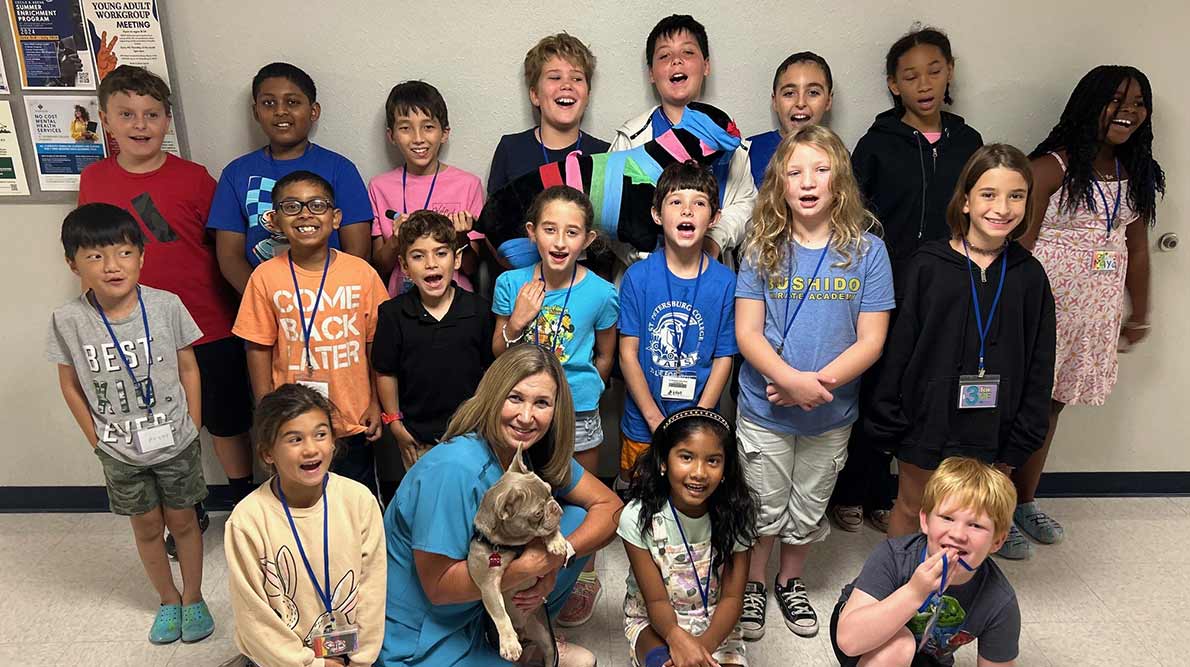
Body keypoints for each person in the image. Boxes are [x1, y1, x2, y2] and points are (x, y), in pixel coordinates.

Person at [80, 66, 253, 552]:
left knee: (226, 418)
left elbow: (223, 248)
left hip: (207, 323)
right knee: (162, 418)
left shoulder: (196, 179)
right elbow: (91, 252)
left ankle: (241, 499)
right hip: (135, 330)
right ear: (106, 121)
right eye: (127, 114)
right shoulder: (95, 180)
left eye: (151, 114)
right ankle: (186, 502)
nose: (140, 124)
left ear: (167, 120)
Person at [734, 126, 894, 640]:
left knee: (808, 501)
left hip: (831, 410)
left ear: (839, 181)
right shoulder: (761, 248)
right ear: (779, 182)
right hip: (764, 409)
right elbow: (747, 332)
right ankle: (755, 583)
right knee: (763, 503)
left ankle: (790, 579)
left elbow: (871, 340)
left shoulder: (868, 252)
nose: (807, 182)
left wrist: (812, 386)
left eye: (820, 170)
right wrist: (785, 380)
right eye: (795, 171)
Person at [378, 344, 622, 666]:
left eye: (542, 403)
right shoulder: (453, 468)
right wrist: (527, 568)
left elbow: (610, 506)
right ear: (494, 396)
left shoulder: (530, 450)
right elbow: (438, 588)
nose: (526, 417)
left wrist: (554, 560)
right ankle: (503, 642)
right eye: (515, 398)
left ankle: (519, 634)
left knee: (573, 520)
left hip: (482, 603)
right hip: (424, 632)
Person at [1008, 65, 1165, 559]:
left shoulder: (1133, 175)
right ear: (1088, 104)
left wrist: (1139, 313)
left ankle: (1023, 503)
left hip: (1090, 320)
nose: (1128, 111)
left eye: (1138, 103)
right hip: (1039, 317)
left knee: (1049, 413)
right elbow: (1016, 249)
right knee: (1015, 414)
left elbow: (1136, 250)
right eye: (1116, 100)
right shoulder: (1051, 168)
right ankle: (990, 510)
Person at [864, 144, 1056, 540]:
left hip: (995, 426)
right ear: (966, 201)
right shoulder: (926, 265)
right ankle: (898, 589)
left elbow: (1040, 361)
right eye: (989, 194)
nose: (1002, 208)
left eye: (1015, 196)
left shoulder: (1029, 276)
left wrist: (1025, 433)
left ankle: (952, 594)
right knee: (914, 505)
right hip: (926, 420)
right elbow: (897, 349)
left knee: (973, 515)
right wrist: (887, 415)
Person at [47, 203, 214, 645]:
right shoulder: (68, 320)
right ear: (73, 263)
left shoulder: (166, 306)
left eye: (123, 253)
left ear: (141, 255)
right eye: (95, 256)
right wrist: (95, 440)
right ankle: (168, 600)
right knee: (144, 528)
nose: (111, 266)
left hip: (176, 441)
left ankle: (194, 596)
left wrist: (193, 425)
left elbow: (189, 368)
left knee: (184, 523)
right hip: (119, 451)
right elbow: (69, 385)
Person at [843, 26, 983, 536]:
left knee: (928, 390)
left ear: (949, 73)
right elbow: (854, 216)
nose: (923, 84)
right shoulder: (877, 144)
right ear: (893, 84)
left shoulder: (968, 142)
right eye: (910, 75)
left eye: (933, 71)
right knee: (878, 387)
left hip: (948, 290)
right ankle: (860, 489)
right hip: (887, 288)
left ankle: (906, 493)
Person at [492, 185, 618, 625]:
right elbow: (498, 350)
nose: (560, 241)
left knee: (584, 500)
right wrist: (517, 320)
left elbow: (606, 354)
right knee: (523, 492)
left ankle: (584, 575)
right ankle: (524, 567)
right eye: (550, 229)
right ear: (532, 233)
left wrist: (589, 390)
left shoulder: (602, 292)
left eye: (572, 232)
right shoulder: (512, 283)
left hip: (578, 412)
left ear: (588, 240)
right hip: (520, 414)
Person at [233, 170, 388, 494]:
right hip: (292, 419)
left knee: (355, 498)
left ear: (336, 218)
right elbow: (258, 347)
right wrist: (265, 409)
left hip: (351, 415)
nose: (305, 214)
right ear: (274, 221)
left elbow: (376, 342)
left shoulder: (361, 273)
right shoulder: (264, 277)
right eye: (292, 207)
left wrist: (376, 400)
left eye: (317, 205)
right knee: (301, 498)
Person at [225, 384, 385, 667]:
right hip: (282, 660)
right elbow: (254, 617)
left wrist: (361, 660)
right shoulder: (246, 520)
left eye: (321, 435)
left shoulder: (359, 501)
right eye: (294, 439)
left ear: (334, 441)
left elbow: (372, 589)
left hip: (351, 655)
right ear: (267, 454)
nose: (311, 449)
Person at [831, 457, 1021, 666]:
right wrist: (915, 592)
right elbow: (849, 640)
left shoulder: (999, 600)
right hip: (859, 628)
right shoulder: (895, 556)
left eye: (975, 525)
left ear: (998, 541)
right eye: (947, 518)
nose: (958, 534)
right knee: (899, 646)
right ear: (925, 521)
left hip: (926, 656)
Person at [617, 161, 737, 490]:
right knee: (641, 499)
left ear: (713, 218)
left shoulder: (725, 282)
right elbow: (628, 354)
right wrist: (656, 421)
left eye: (699, 203)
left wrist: (697, 419)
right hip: (643, 424)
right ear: (657, 214)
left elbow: (724, 357)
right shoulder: (637, 278)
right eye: (675, 202)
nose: (687, 210)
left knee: (689, 500)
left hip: (697, 422)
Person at [207, 62, 373, 294]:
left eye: (292, 102)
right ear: (256, 112)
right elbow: (229, 257)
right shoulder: (236, 173)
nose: (280, 111)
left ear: (313, 111)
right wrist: (267, 301)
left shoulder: (340, 169)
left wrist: (325, 300)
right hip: (266, 306)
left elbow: (359, 251)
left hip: (331, 303)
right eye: (268, 103)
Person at [609, 14, 757, 264]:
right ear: (651, 74)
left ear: (706, 66)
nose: (676, 61)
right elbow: (609, 214)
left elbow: (746, 205)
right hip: (645, 281)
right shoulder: (630, 139)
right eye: (664, 56)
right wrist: (650, 260)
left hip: (712, 280)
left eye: (687, 53)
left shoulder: (729, 140)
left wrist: (714, 241)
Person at [620, 408, 757, 667]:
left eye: (713, 461)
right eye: (686, 457)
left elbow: (732, 598)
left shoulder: (738, 514)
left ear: (726, 468)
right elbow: (655, 600)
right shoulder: (636, 517)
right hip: (655, 621)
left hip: (717, 623)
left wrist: (701, 651)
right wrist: (676, 638)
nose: (699, 472)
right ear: (663, 461)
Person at [373, 210, 495, 471]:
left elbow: (491, 372)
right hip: (418, 438)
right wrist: (395, 424)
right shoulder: (392, 314)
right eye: (418, 256)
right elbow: (385, 372)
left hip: (473, 435)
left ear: (457, 258)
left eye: (441, 253)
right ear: (404, 266)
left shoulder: (479, 310)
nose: (431, 263)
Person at [369, 80, 486, 296]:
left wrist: (461, 239)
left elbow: (471, 268)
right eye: (405, 128)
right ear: (391, 135)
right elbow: (378, 268)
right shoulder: (379, 187)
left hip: (456, 307)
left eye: (428, 127)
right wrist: (396, 240)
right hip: (401, 307)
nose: (418, 138)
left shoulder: (468, 185)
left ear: (444, 133)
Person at [487, 33, 611, 194]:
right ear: (535, 95)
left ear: (588, 95)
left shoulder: (605, 154)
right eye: (555, 77)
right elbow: (495, 216)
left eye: (577, 79)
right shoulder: (510, 149)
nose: (566, 85)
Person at [747, 52, 835, 189]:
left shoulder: (837, 155)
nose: (800, 103)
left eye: (813, 93)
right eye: (789, 93)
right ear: (775, 101)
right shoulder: (747, 153)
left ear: (828, 101)